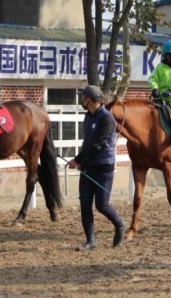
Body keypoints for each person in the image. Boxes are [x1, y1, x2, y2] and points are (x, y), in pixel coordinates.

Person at [67, 85, 126, 251]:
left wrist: (77, 160)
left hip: (103, 167)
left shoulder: (106, 118)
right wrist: (81, 161)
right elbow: (87, 143)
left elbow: (96, 144)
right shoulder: (89, 116)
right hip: (87, 167)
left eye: (83, 97)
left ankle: (120, 224)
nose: (81, 100)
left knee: (102, 205)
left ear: (90, 99)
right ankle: (90, 241)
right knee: (85, 204)